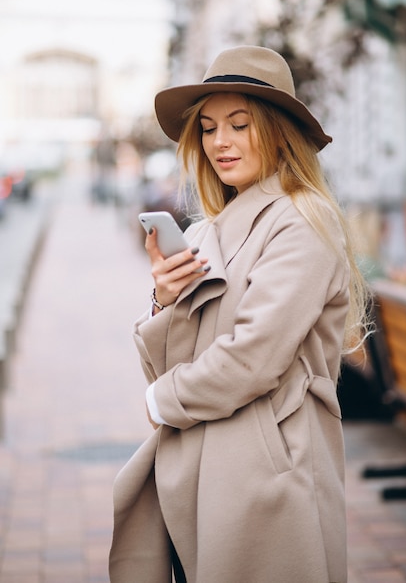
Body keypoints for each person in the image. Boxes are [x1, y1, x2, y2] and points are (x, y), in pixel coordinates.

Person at [109, 45, 369, 583]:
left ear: (277, 129)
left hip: (269, 476)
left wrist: (163, 400)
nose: (220, 142)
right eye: (207, 128)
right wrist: (163, 298)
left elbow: (254, 358)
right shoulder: (206, 231)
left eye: (239, 124)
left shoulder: (301, 221)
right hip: (197, 467)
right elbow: (172, 362)